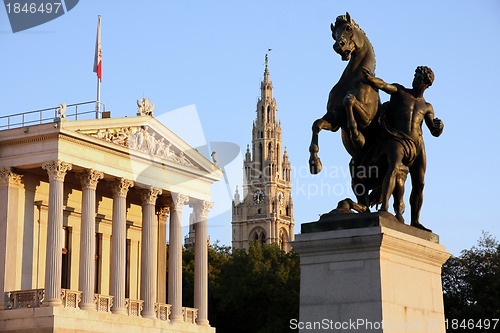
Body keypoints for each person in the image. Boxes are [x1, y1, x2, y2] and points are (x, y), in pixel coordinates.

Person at [362, 66, 444, 230]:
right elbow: (384, 85)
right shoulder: (400, 92)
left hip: (417, 144)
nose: (416, 80)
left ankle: (415, 221)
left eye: (420, 78)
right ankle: (384, 208)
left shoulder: (427, 107)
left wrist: (439, 127)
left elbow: (433, 131)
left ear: (426, 84)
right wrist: (370, 79)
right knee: (394, 167)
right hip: (398, 139)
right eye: (415, 76)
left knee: (419, 183)